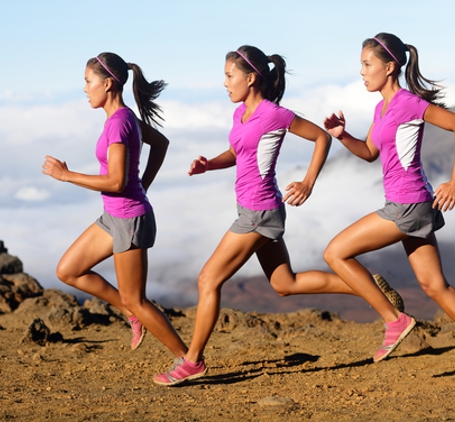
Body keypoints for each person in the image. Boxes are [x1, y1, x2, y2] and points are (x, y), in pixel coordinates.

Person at [153, 45, 403, 387]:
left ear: (251, 77)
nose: (225, 83)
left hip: (259, 211)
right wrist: (210, 163)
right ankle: (367, 287)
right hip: (251, 209)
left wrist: (308, 182)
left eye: (229, 76)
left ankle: (192, 361)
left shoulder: (273, 114)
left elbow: (320, 138)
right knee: (286, 283)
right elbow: (238, 151)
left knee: (208, 279)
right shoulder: (239, 113)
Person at [42, 52, 188, 360]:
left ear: (107, 83)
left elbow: (116, 182)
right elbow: (161, 144)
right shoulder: (123, 119)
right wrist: (144, 184)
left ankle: (188, 359)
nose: (84, 88)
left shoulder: (120, 123)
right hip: (114, 216)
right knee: (69, 270)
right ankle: (129, 312)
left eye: (87, 81)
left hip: (129, 220)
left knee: (138, 300)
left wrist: (67, 176)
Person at [323, 32, 455, 363]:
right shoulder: (382, 108)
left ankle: (395, 321)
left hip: (407, 205)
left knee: (336, 253)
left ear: (390, 66)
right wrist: (343, 136)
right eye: (361, 65)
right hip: (413, 203)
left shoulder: (408, 103)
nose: (362, 71)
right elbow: (369, 152)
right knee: (435, 287)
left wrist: (454, 182)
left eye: (367, 64)